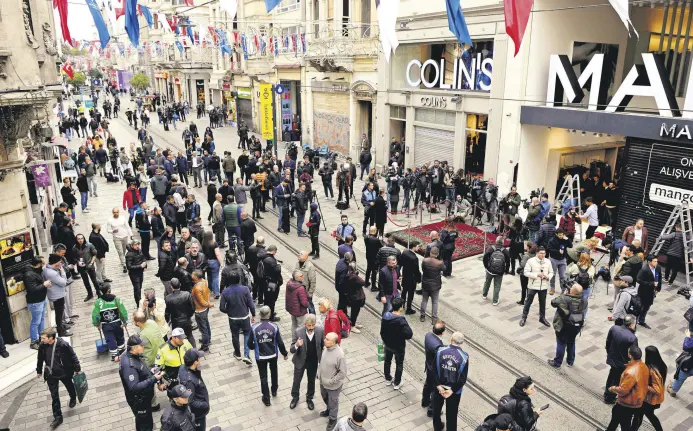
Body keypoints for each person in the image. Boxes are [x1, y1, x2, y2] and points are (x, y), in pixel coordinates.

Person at [36, 327, 81, 429]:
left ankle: (73, 397)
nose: (41, 340)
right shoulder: (42, 346)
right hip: (51, 374)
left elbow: (73, 355)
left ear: (51, 338)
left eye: (43, 338)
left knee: (69, 386)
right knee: (54, 396)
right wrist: (39, 370)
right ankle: (58, 417)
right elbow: (40, 359)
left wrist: (77, 367)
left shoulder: (63, 345)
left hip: (64, 372)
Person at [120, 334, 164, 431]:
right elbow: (134, 387)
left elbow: (140, 371)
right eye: (142, 345)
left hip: (144, 398)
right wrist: (154, 379)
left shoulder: (134, 355)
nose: (144, 347)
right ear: (135, 348)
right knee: (145, 425)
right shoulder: (129, 365)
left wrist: (151, 371)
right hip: (139, 401)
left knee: (144, 422)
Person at [247, 305, 289, 406]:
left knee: (263, 377)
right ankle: (274, 390)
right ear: (269, 314)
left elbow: (249, 344)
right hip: (273, 355)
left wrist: (254, 346)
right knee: (274, 372)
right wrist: (284, 353)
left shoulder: (254, 327)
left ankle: (266, 399)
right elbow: (280, 342)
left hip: (260, 357)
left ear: (260, 315)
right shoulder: (274, 326)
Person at [605, 345, 649, 431]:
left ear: (630, 355)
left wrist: (613, 388)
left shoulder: (631, 373)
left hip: (627, 403)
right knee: (616, 419)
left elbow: (623, 391)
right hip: (637, 401)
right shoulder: (644, 366)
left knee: (623, 422)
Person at [432, 331, 470, 431]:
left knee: (436, 410)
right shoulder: (464, 357)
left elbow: (433, 369)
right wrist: (452, 390)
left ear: (451, 338)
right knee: (452, 415)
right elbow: (462, 379)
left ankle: (438, 427)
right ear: (461, 342)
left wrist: (438, 385)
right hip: (454, 391)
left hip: (439, 387)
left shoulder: (440, 351)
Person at [219, 270, 255, 364]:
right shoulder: (245, 289)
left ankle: (238, 354)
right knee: (247, 334)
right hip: (244, 316)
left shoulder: (225, 292)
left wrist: (229, 311)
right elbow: (251, 304)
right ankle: (246, 355)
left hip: (233, 319)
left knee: (235, 335)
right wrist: (253, 314)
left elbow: (222, 308)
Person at [289, 314, 324, 410]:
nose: (311, 327)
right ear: (305, 324)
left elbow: (322, 345)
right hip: (300, 360)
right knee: (296, 381)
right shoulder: (298, 331)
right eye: (309, 325)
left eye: (313, 325)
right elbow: (292, 350)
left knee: (311, 381)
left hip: (313, 361)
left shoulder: (320, 330)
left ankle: (309, 398)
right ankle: (295, 397)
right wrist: (296, 344)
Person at [547, 284, 586, 368]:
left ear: (573, 291)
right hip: (576, 325)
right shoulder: (584, 299)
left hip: (563, 325)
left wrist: (564, 294)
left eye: (571, 288)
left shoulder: (564, 298)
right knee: (571, 342)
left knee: (561, 343)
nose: (570, 288)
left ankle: (557, 362)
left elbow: (553, 302)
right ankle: (570, 361)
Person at [604, 315, 639, 404]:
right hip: (623, 363)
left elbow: (608, 342)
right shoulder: (632, 338)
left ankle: (607, 393)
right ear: (631, 325)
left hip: (612, 358)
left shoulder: (614, 328)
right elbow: (634, 353)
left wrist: (609, 353)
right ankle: (610, 397)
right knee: (617, 380)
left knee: (611, 375)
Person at [380, 297, 413, 390]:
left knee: (387, 361)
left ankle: (387, 378)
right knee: (399, 363)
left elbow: (382, 332)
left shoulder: (386, 316)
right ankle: (397, 383)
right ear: (401, 307)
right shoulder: (401, 320)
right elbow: (409, 334)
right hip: (398, 346)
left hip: (387, 344)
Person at [631, 346, 666, 431]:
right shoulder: (662, 365)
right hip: (652, 400)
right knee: (642, 415)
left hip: (648, 400)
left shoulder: (652, 370)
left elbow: (657, 389)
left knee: (642, 415)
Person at [319, 332, 348, 430]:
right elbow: (323, 362)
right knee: (324, 397)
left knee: (333, 402)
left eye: (327, 339)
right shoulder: (326, 348)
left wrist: (331, 381)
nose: (324, 340)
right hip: (323, 382)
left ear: (333, 343)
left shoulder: (339, 355)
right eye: (325, 338)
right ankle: (329, 410)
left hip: (333, 386)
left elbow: (343, 373)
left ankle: (333, 419)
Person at [92, 283, 128, 361]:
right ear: (109, 290)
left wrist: (97, 324)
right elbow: (123, 312)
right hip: (117, 323)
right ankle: (122, 351)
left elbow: (95, 315)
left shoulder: (98, 302)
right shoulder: (116, 300)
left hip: (106, 326)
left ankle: (114, 356)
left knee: (110, 339)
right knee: (120, 337)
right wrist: (125, 321)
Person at [520, 247, 553, 327]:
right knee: (528, 302)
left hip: (543, 286)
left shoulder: (548, 261)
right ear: (537, 253)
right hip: (533, 286)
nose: (543, 255)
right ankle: (524, 317)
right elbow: (526, 273)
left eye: (544, 253)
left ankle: (542, 318)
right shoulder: (531, 261)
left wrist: (547, 277)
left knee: (543, 303)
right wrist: (537, 275)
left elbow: (551, 272)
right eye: (541, 253)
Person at [178, 349, 209, 431]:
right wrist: (204, 405)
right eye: (199, 357)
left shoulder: (183, 367)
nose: (200, 359)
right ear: (195, 362)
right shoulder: (190, 381)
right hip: (198, 414)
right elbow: (189, 401)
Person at [23, 256, 49, 350]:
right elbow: (32, 289)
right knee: (35, 322)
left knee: (41, 319)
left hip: (41, 300)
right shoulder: (29, 274)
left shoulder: (36, 270)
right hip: (35, 302)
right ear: (38, 264)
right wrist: (44, 285)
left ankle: (42, 338)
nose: (44, 265)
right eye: (42, 263)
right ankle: (33, 342)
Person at [43, 254, 72, 337]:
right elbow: (63, 282)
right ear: (56, 262)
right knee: (59, 313)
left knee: (59, 312)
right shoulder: (52, 273)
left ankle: (61, 327)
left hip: (54, 294)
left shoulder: (46, 269)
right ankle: (60, 331)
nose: (61, 263)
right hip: (57, 295)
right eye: (60, 261)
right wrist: (62, 272)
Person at [164, 279, 197, 348]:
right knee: (190, 335)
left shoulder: (168, 298)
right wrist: (188, 316)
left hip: (176, 322)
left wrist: (167, 321)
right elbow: (193, 307)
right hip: (186, 320)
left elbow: (167, 313)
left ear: (171, 287)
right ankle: (194, 351)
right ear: (180, 285)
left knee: (178, 338)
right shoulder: (186, 294)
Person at [423, 321, 446, 418]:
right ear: (442, 332)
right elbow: (439, 360)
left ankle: (424, 402)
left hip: (428, 366)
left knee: (427, 385)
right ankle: (431, 410)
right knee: (434, 390)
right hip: (434, 370)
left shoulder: (428, 335)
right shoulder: (438, 346)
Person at [636, 255, 662, 329]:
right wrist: (651, 283)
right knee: (640, 306)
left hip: (652, 292)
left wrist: (658, 288)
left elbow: (659, 278)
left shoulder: (658, 267)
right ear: (649, 262)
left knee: (647, 306)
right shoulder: (644, 269)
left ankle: (641, 320)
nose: (656, 262)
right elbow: (638, 280)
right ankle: (634, 320)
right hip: (644, 291)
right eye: (654, 261)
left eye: (657, 261)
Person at [421, 247, 445, 324]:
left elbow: (423, 269)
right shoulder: (439, 263)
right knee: (435, 302)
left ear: (430, 253)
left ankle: (422, 316)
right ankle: (434, 319)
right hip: (435, 285)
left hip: (425, 284)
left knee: (424, 300)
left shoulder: (425, 260)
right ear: (437, 254)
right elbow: (444, 269)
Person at [482, 237, 509, 306]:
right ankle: (495, 301)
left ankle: (484, 295)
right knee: (497, 286)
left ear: (496, 241)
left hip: (490, 270)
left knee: (487, 282)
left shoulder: (491, 248)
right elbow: (508, 262)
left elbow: (485, 257)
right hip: (500, 272)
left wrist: (486, 267)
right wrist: (506, 270)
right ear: (503, 242)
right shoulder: (505, 251)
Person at [71, 233, 99, 301]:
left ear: (84, 238)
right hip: (81, 267)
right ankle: (90, 294)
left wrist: (91, 263)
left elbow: (95, 254)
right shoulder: (74, 248)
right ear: (76, 240)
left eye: (81, 238)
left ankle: (99, 292)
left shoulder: (89, 245)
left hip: (89, 265)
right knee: (85, 281)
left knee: (94, 280)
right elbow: (74, 257)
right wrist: (78, 262)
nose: (80, 240)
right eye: (79, 239)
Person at [286, 270, 310, 342]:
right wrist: (308, 304)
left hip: (292, 310)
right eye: (301, 276)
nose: (302, 277)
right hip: (300, 311)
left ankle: (294, 339)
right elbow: (304, 302)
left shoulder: (289, 284)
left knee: (294, 324)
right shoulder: (300, 288)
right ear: (296, 277)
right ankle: (300, 341)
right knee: (301, 326)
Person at [668, 328, 693, 396]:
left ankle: (673, 390)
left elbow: (686, 346)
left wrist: (688, 337)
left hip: (690, 364)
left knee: (681, 377)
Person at [261, 245, 283, 321]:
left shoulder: (263, 256)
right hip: (271, 283)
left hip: (265, 281)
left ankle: (266, 313)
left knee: (267, 299)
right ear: (274, 251)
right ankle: (270, 316)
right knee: (271, 299)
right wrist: (279, 266)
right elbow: (277, 271)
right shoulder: (270, 260)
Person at [191, 270, 212, 352]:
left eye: (193, 274)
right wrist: (208, 302)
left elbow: (202, 302)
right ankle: (208, 339)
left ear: (196, 277)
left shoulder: (197, 288)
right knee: (206, 324)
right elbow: (208, 292)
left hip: (200, 310)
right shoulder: (204, 281)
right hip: (205, 309)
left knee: (203, 329)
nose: (191, 275)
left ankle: (205, 345)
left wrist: (208, 304)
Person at [108, 207, 133, 274]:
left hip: (124, 236)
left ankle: (122, 260)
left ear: (119, 212)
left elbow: (127, 226)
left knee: (124, 250)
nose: (116, 213)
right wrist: (113, 231)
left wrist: (131, 234)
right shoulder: (110, 220)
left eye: (117, 212)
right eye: (114, 212)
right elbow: (108, 230)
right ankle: (124, 265)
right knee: (120, 252)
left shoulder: (122, 218)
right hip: (116, 238)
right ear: (112, 213)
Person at [546, 228, 571, 295]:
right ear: (556, 234)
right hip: (553, 259)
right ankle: (552, 288)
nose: (561, 236)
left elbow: (571, 246)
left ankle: (563, 289)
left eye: (562, 235)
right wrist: (558, 251)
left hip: (562, 259)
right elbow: (549, 248)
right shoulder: (552, 240)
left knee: (562, 275)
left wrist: (568, 239)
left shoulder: (565, 239)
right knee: (553, 274)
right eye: (559, 235)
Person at [400, 242, 421, 314]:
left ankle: (401, 305)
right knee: (410, 294)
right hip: (412, 279)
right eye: (418, 246)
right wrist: (419, 279)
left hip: (405, 276)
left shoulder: (405, 252)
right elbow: (416, 270)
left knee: (404, 291)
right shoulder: (414, 258)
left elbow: (401, 263)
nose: (419, 248)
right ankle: (409, 309)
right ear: (414, 247)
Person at [126, 239, 148, 307]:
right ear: (132, 246)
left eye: (138, 244)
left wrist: (144, 262)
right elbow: (129, 266)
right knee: (137, 289)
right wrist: (140, 266)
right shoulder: (129, 254)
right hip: (134, 275)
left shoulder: (139, 250)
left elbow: (143, 257)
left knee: (139, 287)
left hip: (140, 272)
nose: (137, 246)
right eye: (136, 245)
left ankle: (139, 300)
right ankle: (139, 304)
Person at [364, 226, 383, 292]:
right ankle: (373, 286)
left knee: (368, 269)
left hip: (368, 255)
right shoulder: (376, 240)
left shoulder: (366, 237)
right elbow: (381, 246)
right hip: (374, 257)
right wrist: (380, 239)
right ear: (375, 231)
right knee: (374, 271)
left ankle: (366, 282)